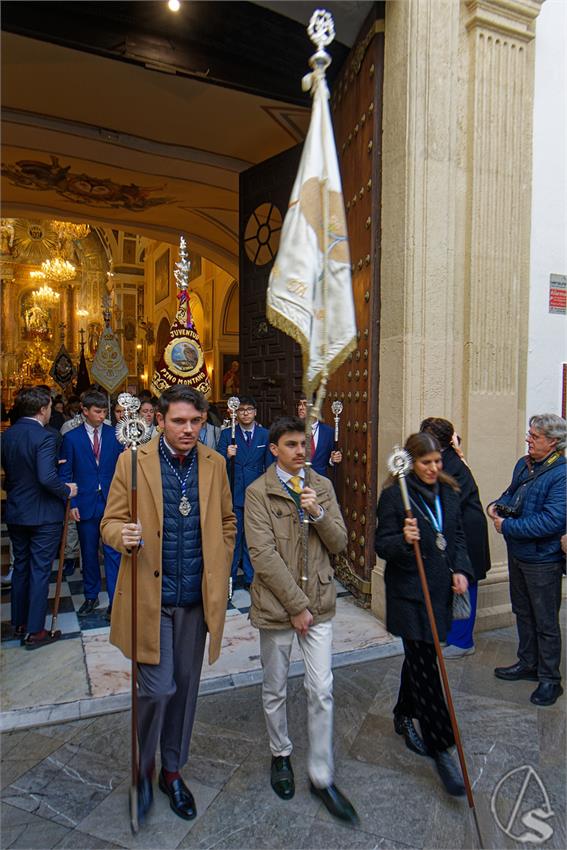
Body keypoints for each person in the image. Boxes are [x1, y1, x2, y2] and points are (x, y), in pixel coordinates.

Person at [101, 385, 236, 824]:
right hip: (150, 598)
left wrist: (221, 554)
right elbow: (110, 520)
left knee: (185, 691)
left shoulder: (215, 464)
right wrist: (120, 535)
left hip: (194, 600)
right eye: (179, 421)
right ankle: (143, 769)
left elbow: (228, 521)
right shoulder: (132, 462)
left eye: (196, 421)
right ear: (160, 420)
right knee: (158, 691)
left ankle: (172, 772)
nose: (188, 429)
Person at [244, 415, 357, 823]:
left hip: (321, 601)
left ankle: (322, 775)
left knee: (321, 688)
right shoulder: (259, 492)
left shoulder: (321, 485)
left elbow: (340, 542)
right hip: (279, 608)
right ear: (274, 449)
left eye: (304, 444)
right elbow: (262, 555)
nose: (301, 451)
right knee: (275, 687)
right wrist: (296, 607)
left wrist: (320, 513)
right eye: (291, 445)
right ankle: (281, 754)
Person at [375, 432, 473, 796]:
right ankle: (442, 747)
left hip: (440, 592)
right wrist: (404, 538)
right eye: (426, 462)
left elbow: (458, 536)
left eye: (437, 461)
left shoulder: (449, 491)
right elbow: (382, 546)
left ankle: (402, 712)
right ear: (411, 463)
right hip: (410, 596)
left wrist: (460, 569)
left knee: (421, 659)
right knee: (428, 668)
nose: (434, 468)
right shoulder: (394, 496)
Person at [489, 413, 566, 707]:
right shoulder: (525, 464)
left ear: (554, 442)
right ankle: (527, 663)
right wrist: (496, 506)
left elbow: (551, 520)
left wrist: (507, 526)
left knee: (545, 620)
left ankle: (550, 679)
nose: (528, 440)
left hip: (543, 558)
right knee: (522, 611)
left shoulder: (561, 474)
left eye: (534, 437)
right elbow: (511, 495)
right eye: (529, 434)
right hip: (519, 552)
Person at [1, 387, 77, 649]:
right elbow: (46, 477)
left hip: (16, 510)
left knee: (21, 566)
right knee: (40, 570)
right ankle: (35, 631)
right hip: (44, 513)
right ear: (43, 409)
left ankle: (19, 622)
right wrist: (66, 489)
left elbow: (10, 474)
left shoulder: (7, 435)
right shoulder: (47, 436)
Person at [420, 417, 491, 657]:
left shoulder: (452, 466)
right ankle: (449, 634)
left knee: (464, 583)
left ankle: (462, 642)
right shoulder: (444, 458)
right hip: (453, 531)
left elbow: (445, 503)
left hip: (466, 533)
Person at [60, 390, 123, 618]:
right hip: (85, 502)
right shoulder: (71, 438)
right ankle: (91, 596)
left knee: (113, 552)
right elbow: (66, 473)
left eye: (104, 411)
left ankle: (116, 599)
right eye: (97, 411)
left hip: (111, 502)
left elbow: (121, 468)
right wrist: (72, 501)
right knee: (88, 553)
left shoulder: (114, 434)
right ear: (84, 411)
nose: (101, 416)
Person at [216, 395, 272, 588]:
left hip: (256, 494)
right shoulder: (226, 434)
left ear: (255, 412)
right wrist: (226, 455)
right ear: (235, 413)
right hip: (234, 492)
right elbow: (216, 464)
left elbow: (270, 466)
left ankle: (250, 578)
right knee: (233, 537)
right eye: (241, 410)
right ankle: (229, 578)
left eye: (249, 409)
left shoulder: (265, 435)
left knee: (253, 537)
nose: (245, 413)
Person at [297, 394, 342, 477]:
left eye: (305, 404)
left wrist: (332, 459)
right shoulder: (294, 431)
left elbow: (329, 459)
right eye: (300, 404)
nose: (300, 408)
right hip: (298, 483)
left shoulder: (328, 432)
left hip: (319, 484)